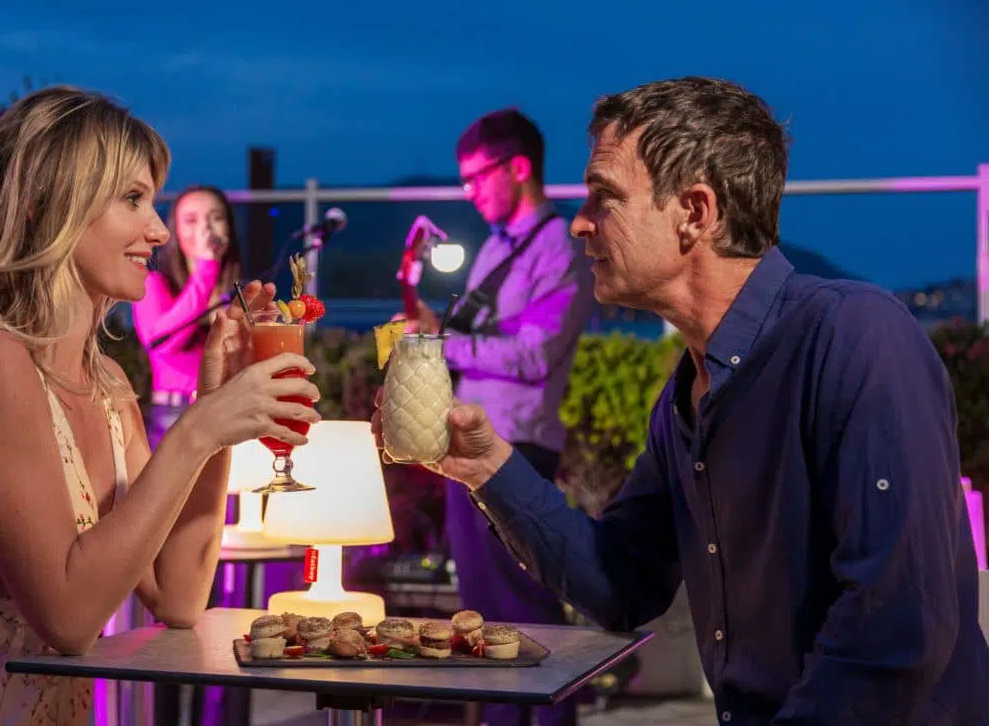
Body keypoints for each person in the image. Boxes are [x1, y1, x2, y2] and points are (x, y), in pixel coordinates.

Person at [374, 77, 989, 724]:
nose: (580, 221)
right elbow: (620, 582)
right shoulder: (685, 399)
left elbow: (892, 628)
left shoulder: (855, 338)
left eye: (604, 196)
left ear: (695, 212)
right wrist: (484, 465)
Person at [0, 86, 319, 725]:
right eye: (132, 199)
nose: (157, 231)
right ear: (50, 207)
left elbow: (179, 596)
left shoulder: (108, 390)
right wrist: (199, 430)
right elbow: (68, 618)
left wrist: (212, 406)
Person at [400, 107, 595, 726]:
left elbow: (537, 353)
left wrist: (445, 345)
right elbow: (477, 335)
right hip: (472, 448)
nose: (471, 191)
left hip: (518, 449)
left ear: (519, 168)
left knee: (523, 612)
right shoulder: (494, 245)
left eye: (478, 177)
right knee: (484, 612)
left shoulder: (562, 249)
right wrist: (429, 326)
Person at [132, 184, 242, 448]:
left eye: (216, 218)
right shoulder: (154, 285)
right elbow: (163, 343)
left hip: (229, 413)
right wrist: (206, 267)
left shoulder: (239, 296)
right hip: (176, 417)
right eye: (191, 220)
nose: (205, 229)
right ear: (175, 232)